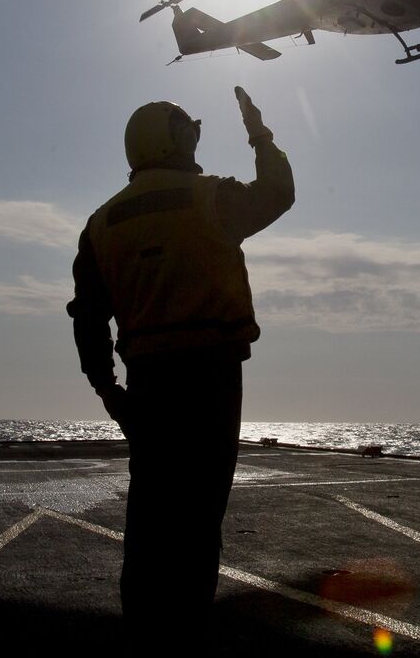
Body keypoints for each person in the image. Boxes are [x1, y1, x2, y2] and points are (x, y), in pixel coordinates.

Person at [67, 86, 294, 646]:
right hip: (211, 380)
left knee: (149, 519)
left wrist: (108, 391)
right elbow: (278, 192)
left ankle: (144, 634)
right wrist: (260, 133)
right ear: (172, 141)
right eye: (189, 129)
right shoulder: (210, 198)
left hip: (147, 385)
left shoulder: (101, 224)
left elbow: (88, 318)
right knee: (199, 519)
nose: (196, 138)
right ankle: (187, 636)